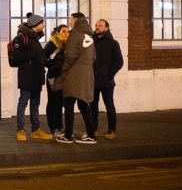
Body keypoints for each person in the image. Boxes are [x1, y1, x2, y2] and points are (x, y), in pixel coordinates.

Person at [9, 13, 53, 142]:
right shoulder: (22, 37)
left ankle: (36, 130)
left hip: (37, 76)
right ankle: (20, 130)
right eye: (42, 23)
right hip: (27, 76)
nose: (43, 25)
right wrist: (33, 54)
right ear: (35, 25)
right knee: (23, 102)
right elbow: (17, 56)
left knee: (35, 104)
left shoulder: (34, 38)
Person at [58, 12, 97, 145]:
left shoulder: (75, 34)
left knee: (68, 104)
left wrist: (64, 71)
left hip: (73, 74)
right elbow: (94, 57)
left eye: (71, 19)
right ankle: (91, 134)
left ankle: (68, 135)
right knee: (83, 104)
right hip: (86, 74)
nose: (69, 21)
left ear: (76, 20)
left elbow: (70, 56)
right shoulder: (89, 35)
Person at [92, 19, 124, 140]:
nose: (97, 27)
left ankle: (111, 131)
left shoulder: (113, 43)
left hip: (107, 81)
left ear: (106, 28)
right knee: (92, 106)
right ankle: (93, 129)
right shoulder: (91, 42)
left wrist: (110, 75)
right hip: (93, 81)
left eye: (100, 25)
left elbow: (119, 62)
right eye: (96, 25)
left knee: (109, 105)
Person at [43, 24, 69, 139]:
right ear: (57, 33)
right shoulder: (51, 44)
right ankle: (53, 127)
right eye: (64, 31)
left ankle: (59, 127)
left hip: (63, 77)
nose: (66, 34)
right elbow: (43, 59)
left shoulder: (66, 45)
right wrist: (53, 66)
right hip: (53, 77)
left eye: (68, 32)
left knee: (60, 102)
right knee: (53, 102)